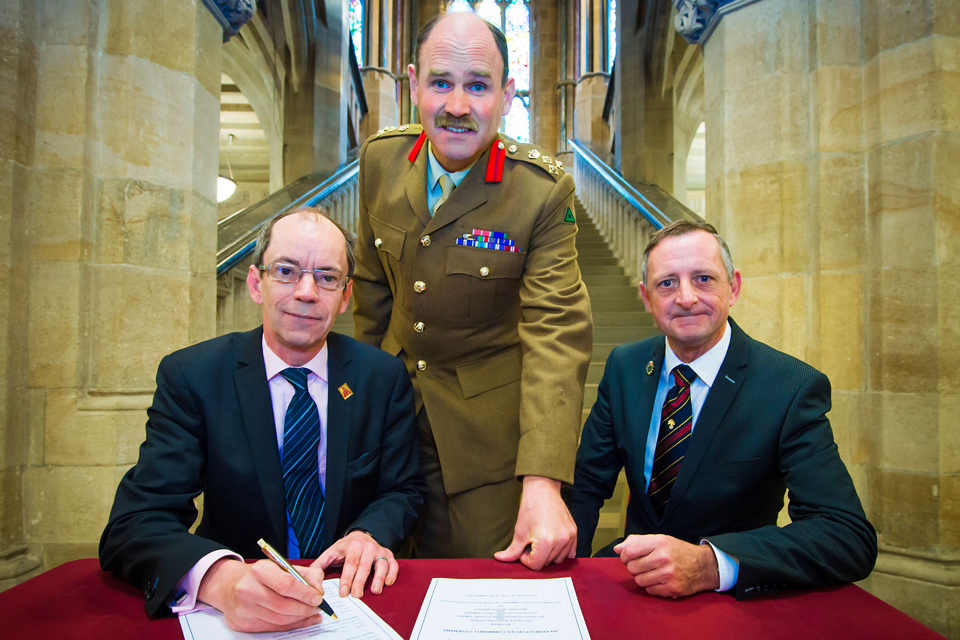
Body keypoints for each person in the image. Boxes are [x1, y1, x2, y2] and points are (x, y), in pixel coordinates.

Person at [99, 208, 426, 632]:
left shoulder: (381, 377)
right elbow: (134, 523)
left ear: (345, 296)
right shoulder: (194, 376)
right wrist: (222, 579)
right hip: (238, 602)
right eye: (286, 271)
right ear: (256, 283)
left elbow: (403, 490)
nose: (307, 292)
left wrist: (367, 533)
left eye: (327, 277)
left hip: (350, 601)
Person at [352, 11, 592, 569]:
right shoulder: (380, 162)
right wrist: (364, 406)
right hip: (392, 421)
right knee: (377, 580)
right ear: (413, 83)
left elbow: (558, 334)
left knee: (481, 588)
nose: (457, 106)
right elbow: (370, 293)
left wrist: (543, 478)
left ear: (507, 95)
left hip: (486, 439)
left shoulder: (541, 191)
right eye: (440, 82)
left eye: (477, 86)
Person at [567, 220, 877, 599]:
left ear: (733, 287)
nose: (685, 297)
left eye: (703, 279)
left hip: (730, 601)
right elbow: (585, 486)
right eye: (667, 283)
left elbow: (846, 535)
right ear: (646, 298)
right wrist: (568, 575)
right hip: (635, 586)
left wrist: (711, 564)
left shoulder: (789, 387)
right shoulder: (624, 367)